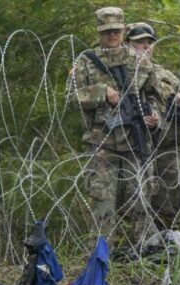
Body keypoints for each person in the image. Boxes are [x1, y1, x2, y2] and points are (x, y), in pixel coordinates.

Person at [67, 7, 162, 244]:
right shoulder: (86, 62)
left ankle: (142, 253)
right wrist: (101, 92)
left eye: (116, 31)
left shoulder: (139, 60)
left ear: (123, 29)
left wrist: (154, 115)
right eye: (107, 31)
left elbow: (154, 96)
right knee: (103, 203)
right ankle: (100, 257)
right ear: (99, 32)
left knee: (140, 199)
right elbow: (70, 98)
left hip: (135, 140)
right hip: (102, 143)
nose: (112, 36)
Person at [125, 22, 180, 230]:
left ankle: (165, 238)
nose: (146, 47)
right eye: (139, 43)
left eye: (149, 43)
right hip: (134, 148)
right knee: (137, 195)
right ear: (127, 44)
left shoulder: (163, 74)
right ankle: (138, 240)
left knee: (172, 193)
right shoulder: (123, 74)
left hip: (167, 146)